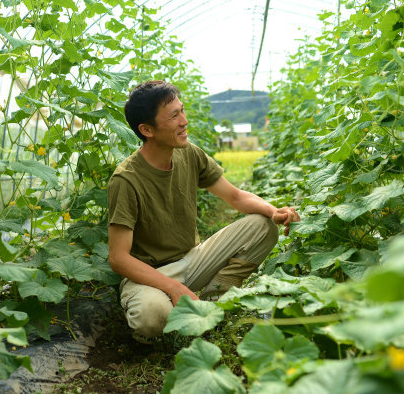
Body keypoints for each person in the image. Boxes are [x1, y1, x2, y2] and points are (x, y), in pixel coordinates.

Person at [107, 80, 300, 342]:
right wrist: (174, 287)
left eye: (182, 111)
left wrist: (272, 210)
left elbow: (234, 196)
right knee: (151, 318)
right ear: (146, 129)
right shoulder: (127, 180)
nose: (184, 121)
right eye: (174, 115)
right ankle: (175, 304)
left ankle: (211, 304)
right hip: (151, 276)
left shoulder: (189, 154)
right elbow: (119, 258)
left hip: (194, 259)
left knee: (263, 225)